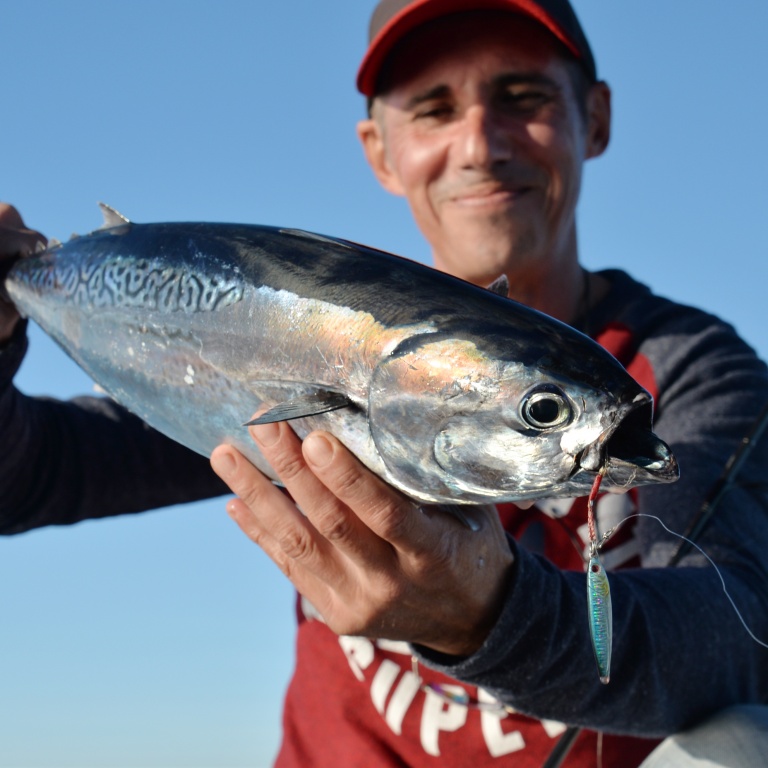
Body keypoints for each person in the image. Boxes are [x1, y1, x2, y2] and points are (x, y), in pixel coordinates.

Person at [1, 1, 767, 766]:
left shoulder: (688, 368)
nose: (479, 145)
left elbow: (734, 633)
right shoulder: (282, 340)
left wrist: (492, 620)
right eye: (434, 109)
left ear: (594, 119)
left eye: (523, 97)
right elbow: (29, 479)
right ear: (378, 150)